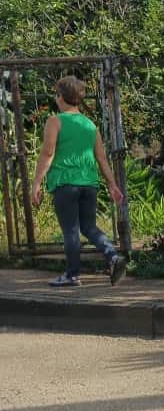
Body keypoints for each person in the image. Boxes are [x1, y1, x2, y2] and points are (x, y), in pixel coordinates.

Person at [31, 75, 127, 287]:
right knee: (89, 227)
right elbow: (101, 158)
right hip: (89, 183)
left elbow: (48, 154)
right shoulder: (90, 125)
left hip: (66, 183)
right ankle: (112, 256)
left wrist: (36, 183)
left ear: (61, 97)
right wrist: (112, 184)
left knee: (70, 230)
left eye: (57, 94)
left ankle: (72, 275)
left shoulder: (55, 121)